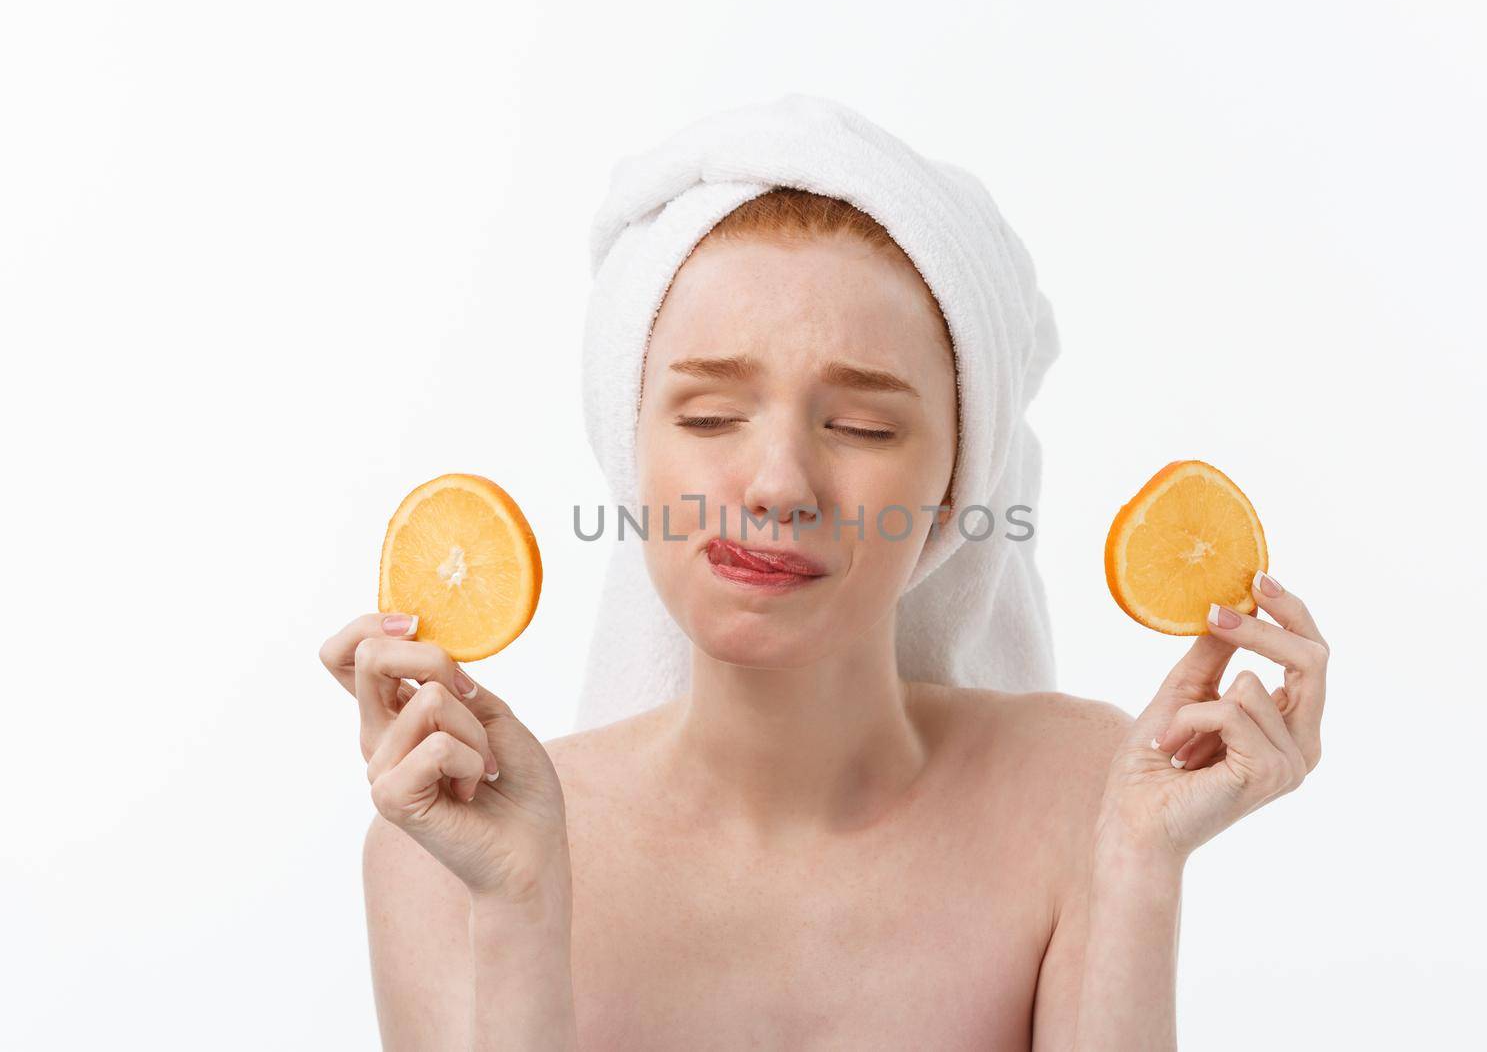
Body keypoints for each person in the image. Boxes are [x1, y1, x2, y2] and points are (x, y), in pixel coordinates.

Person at [320, 185, 1330, 1050]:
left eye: (861, 426)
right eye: (710, 416)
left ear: (953, 485)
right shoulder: (448, 846)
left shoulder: (1081, 790)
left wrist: (1137, 865)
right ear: (631, 455)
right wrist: (518, 905)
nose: (776, 483)